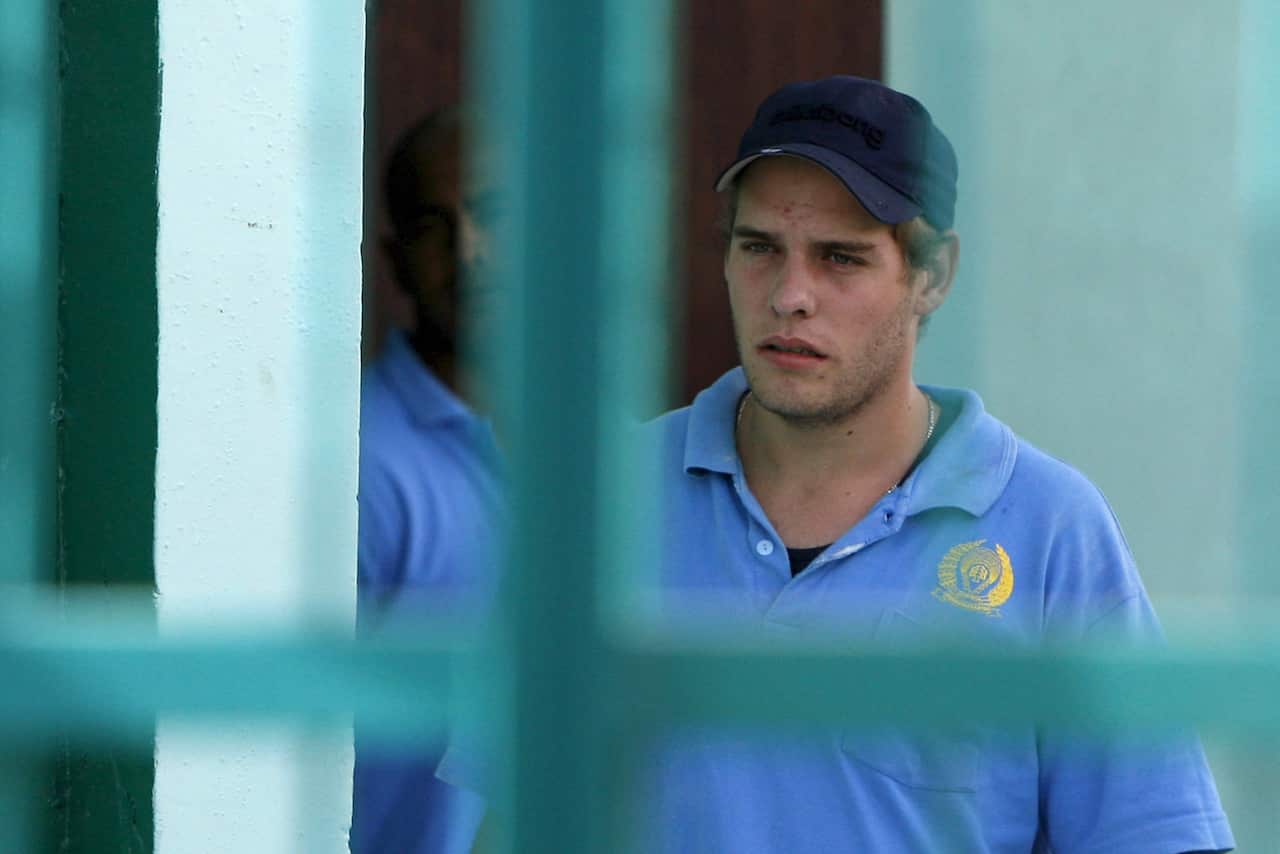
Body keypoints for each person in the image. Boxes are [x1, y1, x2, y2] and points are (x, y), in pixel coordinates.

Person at [438, 76, 1235, 851]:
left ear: (934, 275)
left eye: (841, 259)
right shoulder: (600, 503)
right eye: (760, 248)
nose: (790, 295)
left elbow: (1155, 834)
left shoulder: (1049, 525)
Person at [352, 106, 502, 854]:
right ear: (393, 259)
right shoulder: (362, 469)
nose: (471, 252)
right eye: (432, 227)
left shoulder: (621, 451)